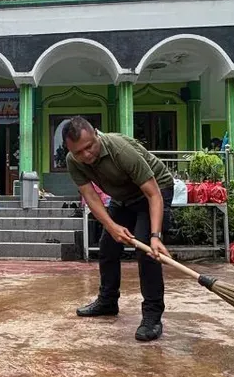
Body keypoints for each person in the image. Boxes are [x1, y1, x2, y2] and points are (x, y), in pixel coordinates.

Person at [63, 116, 174, 342]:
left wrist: (155, 236)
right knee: (107, 247)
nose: (86, 155)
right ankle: (108, 301)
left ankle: (152, 316)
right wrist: (112, 226)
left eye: (89, 147)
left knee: (147, 253)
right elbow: (91, 196)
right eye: (78, 152)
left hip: (153, 191)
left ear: (96, 133)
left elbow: (154, 194)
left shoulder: (120, 149)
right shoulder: (73, 161)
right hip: (122, 198)